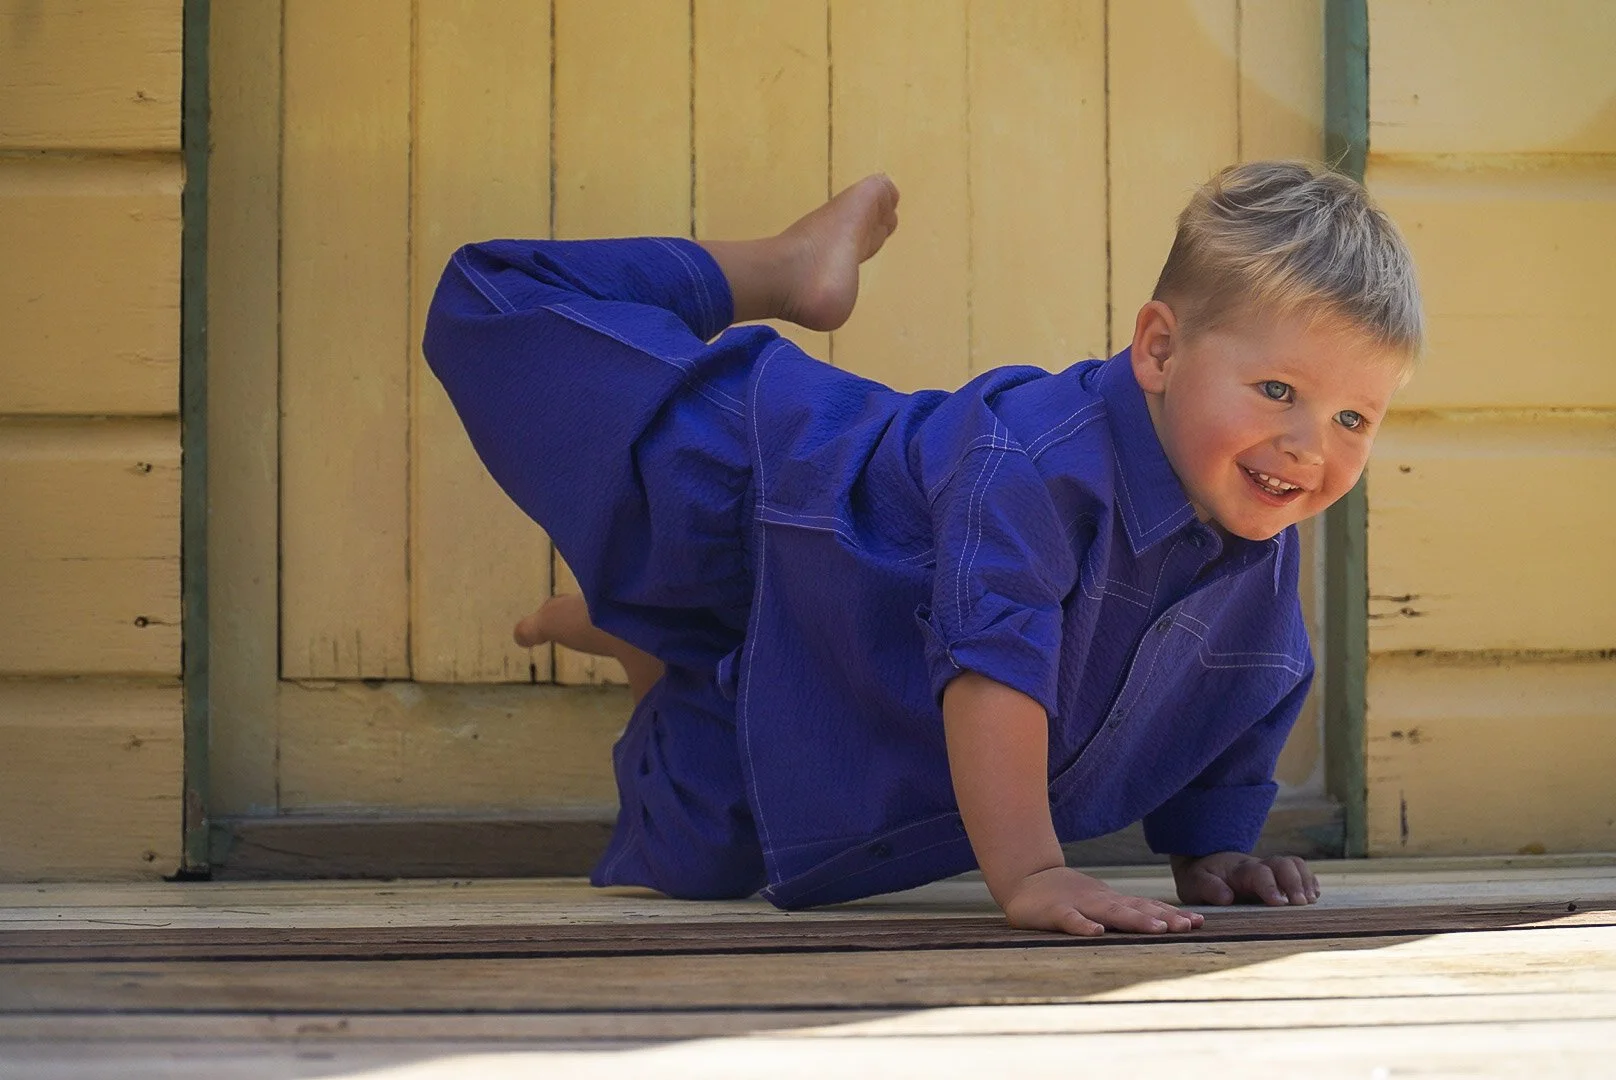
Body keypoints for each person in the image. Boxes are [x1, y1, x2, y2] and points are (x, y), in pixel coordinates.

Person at [422, 160, 1422, 937]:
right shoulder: (1035, 466)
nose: (1308, 447)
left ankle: (644, 643)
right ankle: (782, 267)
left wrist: (1211, 851)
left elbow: (1241, 682)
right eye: (1279, 392)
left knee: (699, 859)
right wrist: (1028, 870)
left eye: (1352, 418)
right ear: (1156, 350)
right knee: (492, 301)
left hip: (833, 652)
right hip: (771, 489)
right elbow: (995, 666)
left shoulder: (1254, 523)